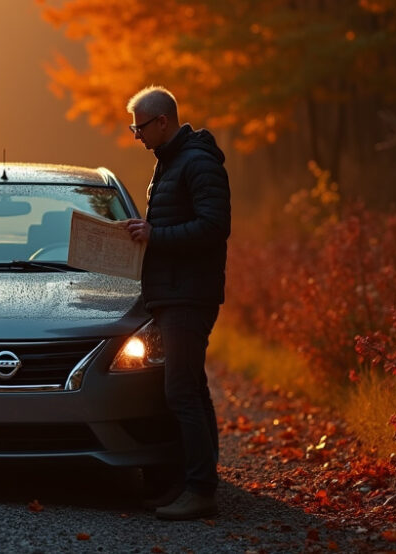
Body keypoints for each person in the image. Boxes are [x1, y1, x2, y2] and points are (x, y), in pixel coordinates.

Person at [118, 85, 230, 521]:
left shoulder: (197, 163)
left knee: (181, 391)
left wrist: (155, 234)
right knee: (193, 390)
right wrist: (146, 228)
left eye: (140, 127)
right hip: (174, 293)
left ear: (162, 121)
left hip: (189, 295)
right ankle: (196, 482)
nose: (136, 135)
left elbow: (213, 227)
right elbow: (185, 220)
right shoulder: (170, 163)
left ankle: (200, 490)